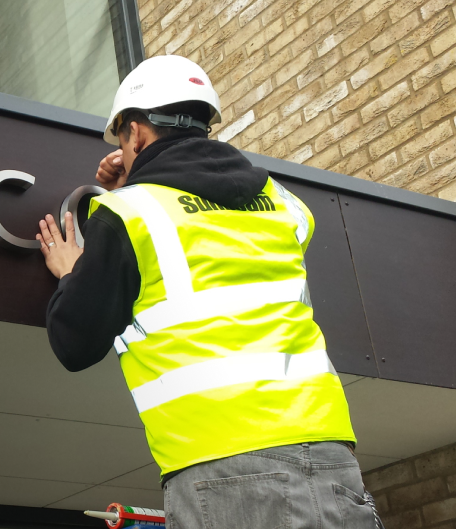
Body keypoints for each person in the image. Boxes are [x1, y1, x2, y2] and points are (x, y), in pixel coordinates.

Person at [35, 55, 383, 528]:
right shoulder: (283, 203)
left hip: (225, 464)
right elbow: (209, 217)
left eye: (121, 137)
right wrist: (136, 184)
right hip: (330, 455)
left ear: (135, 133)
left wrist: (74, 270)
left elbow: (74, 342)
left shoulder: (130, 213)